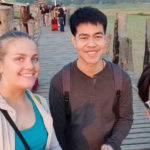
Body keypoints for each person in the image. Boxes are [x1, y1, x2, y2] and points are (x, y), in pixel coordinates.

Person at [49, 7, 133, 150]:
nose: (92, 44)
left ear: (106, 39)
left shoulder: (121, 78)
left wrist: (112, 143)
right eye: (84, 37)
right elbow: (58, 128)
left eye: (98, 36)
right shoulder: (60, 81)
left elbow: (125, 118)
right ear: (74, 40)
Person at [0, 30, 62, 150]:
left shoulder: (40, 102)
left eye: (35, 59)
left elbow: (54, 146)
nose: (30, 66)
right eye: (19, 59)